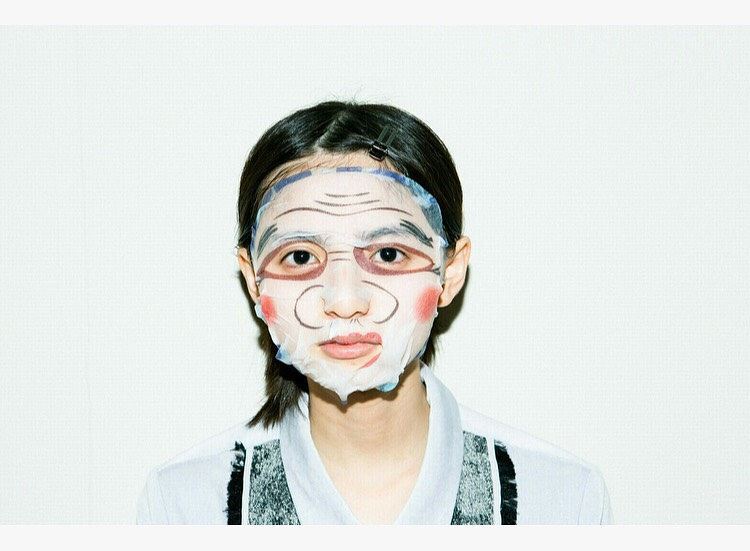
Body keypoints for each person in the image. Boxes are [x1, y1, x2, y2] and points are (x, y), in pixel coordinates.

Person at [136, 101, 614, 525]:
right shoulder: (185, 508)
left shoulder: (559, 503)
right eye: (299, 257)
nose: (345, 302)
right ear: (253, 279)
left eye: (388, 254)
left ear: (450, 272)